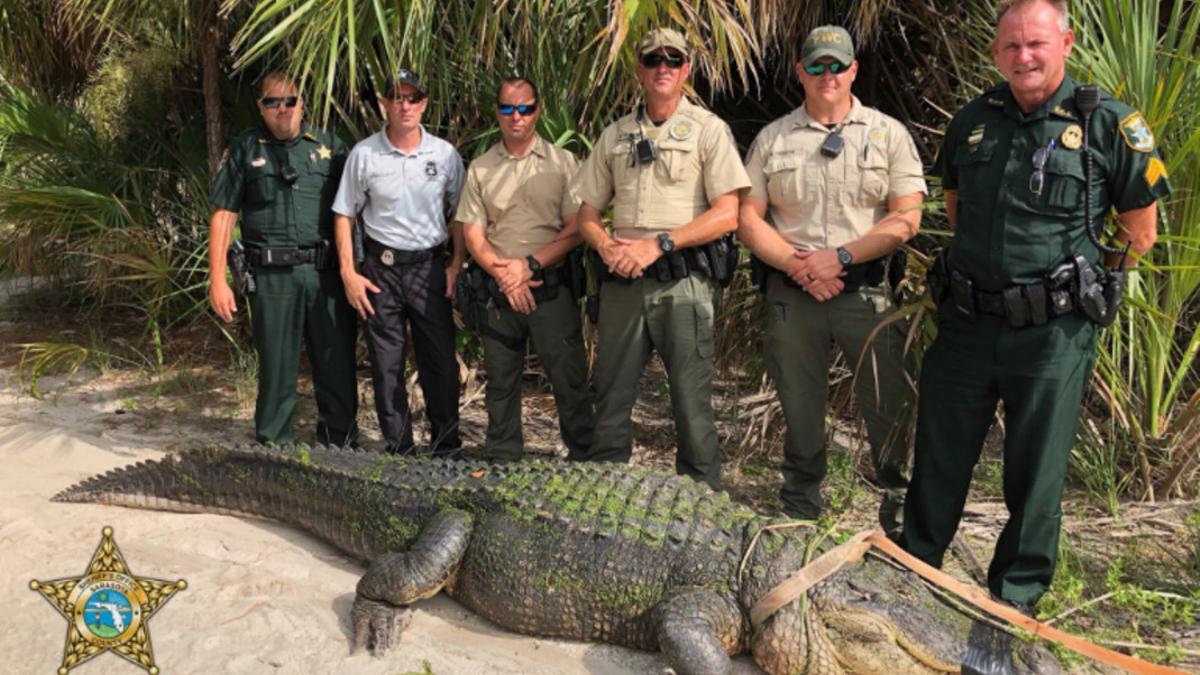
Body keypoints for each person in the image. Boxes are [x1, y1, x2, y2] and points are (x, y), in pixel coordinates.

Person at [901, 0, 1169, 612]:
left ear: (1065, 43)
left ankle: (1012, 600)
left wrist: (1084, 289)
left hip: (1052, 336)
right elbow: (956, 209)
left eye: (1037, 44)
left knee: (1036, 469)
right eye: (1012, 46)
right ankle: (914, 571)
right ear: (996, 53)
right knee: (940, 455)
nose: (1024, 56)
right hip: (967, 324)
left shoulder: (1109, 126)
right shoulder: (973, 120)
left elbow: (1140, 231)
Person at [739, 26, 926, 533]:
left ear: (853, 70)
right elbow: (748, 218)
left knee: (890, 403)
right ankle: (800, 505)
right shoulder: (772, 139)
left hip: (865, 293)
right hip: (793, 292)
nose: (828, 75)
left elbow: (907, 217)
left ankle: (897, 501)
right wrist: (799, 265)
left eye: (837, 65)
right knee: (799, 404)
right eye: (816, 65)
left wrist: (840, 256)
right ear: (800, 71)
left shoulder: (888, 134)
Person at [572, 28, 750, 490]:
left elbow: (728, 213)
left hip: (683, 285)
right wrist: (606, 245)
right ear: (640, 68)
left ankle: (699, 498)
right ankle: (603, 491)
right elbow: (587, 213)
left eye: (674, 59)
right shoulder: (616, 135)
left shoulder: (708, 131)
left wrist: (660, 244)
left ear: (686, 70)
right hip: (623, 284)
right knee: (611, 395)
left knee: (691, 401)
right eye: (654, 59)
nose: (663, 67)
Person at [208, 72, 358, 446]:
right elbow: (224, 214)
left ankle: (340, 444)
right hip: (272, 278)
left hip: (326, 275)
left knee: (336, 362)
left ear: (302, 103)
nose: (283, 109)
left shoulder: (329, 147)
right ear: (260, 107)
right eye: (272, 102)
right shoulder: (246, 149)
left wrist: (354, 269)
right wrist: (217, 280)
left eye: (290, 100)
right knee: (276, 366)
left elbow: (356, 209)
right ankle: (275, 447)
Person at [455, 77, 595, 461]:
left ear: (537, 110)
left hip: (550, 288)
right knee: (500, 382)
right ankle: (502, 461)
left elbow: (576, 228)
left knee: (568, 379)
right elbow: (473, 235)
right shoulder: (481, 168)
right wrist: (503, 273)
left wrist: (529, 265)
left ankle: (585, 461)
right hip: (499, 291)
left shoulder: (563, 163)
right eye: (507, 108)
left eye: (524, 108)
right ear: (497, 112)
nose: (516, 117)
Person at [332, 69, 466, 456]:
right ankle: (400, 452)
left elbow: (460, 213)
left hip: (429, 269)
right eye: (397, 98)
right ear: (385, 105)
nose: (405, 105)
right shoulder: (365, 154)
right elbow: (344, 213)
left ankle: (447, 449)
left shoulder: (443, 155)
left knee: (440, 362)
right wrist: (348, 274)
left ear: (424, 103)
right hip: (381, 271)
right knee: (386, 366)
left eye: (413, 98)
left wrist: (456, 264)